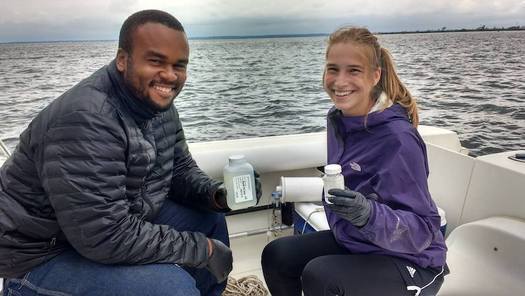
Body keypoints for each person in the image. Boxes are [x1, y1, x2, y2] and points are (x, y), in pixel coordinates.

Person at [0, 9, 260, 296]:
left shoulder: (155, 105)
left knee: (209, 220)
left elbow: (180, 170)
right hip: (37, 255)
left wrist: (217, 195)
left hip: (99, 230)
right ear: (123, 60)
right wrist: (204, 250)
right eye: (156, 61)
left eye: (179, 65)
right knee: (172, 288)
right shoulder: (86, 118)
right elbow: (104, 236)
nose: (170, 76)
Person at [261, 27, 448, 296]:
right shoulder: (338, 120)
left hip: (414, 260)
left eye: (354, 70)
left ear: (375, 76)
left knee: (322, 276)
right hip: (361, 242)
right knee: (278, 255)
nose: (339, 81)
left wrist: (369, 215)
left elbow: (423, 231)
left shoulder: (398, 139)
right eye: (333, 69)